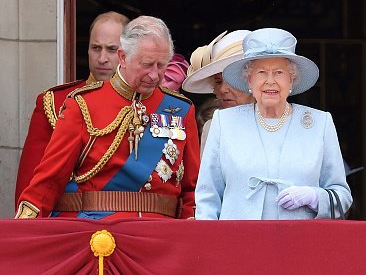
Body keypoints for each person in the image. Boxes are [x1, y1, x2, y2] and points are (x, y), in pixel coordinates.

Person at [15, 16, 200, 219]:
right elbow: (48, 181)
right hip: (97, 235)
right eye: (147, 64)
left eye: (161, 65)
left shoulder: (181, 110)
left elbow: (193, 191)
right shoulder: (83, 104)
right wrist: (23, 234)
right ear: (122, 57)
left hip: (162, 237)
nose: (155, 75)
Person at [195, 27, 352, 220]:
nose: (270, 81)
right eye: (261, 72)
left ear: (292, 80)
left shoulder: (320, 124)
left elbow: (342, 196)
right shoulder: (224, 123)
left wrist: (315, 197)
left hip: (300, 242)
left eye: (279, 72)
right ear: (249, 81)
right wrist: (211, 244)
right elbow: (207, 198)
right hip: (238, 243)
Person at [14, 11, 129, 208]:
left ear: (126, 54)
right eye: (95, 48)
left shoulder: (145, 104)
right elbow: (29, 184)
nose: (102, 58)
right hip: (69, 222)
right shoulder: (54, 102)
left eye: (111, 49)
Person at [182, 30, 255, 156]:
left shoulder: (289, 123)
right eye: (218, 81)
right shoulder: (213, 128)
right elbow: (207, 175)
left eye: (231, 80)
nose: (222, 89)